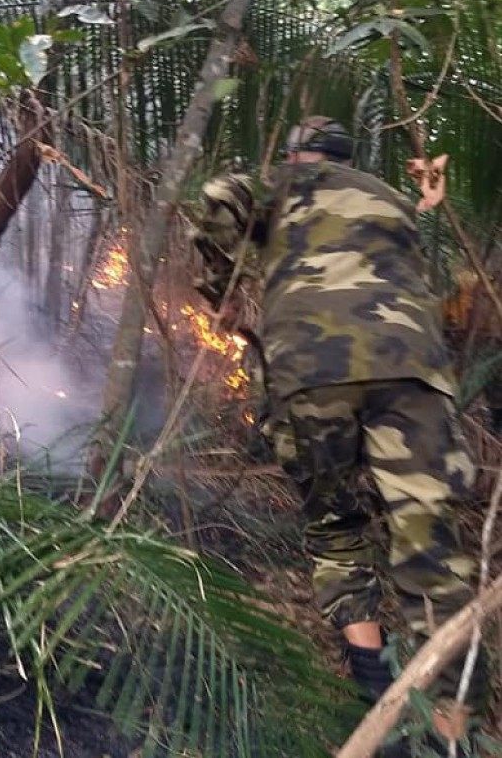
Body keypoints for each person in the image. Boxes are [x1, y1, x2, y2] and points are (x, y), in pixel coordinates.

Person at [191, 115, 487, 756]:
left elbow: (218, 195)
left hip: (312, 369)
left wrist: (216, 287)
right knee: (431, 543)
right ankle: (455, 730)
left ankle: (374, 701)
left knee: (336, 528)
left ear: (297, 156)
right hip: (412, 369)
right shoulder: (387, 199)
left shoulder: (284, 184)